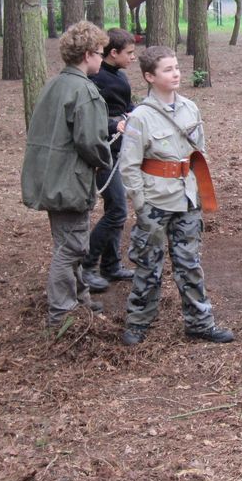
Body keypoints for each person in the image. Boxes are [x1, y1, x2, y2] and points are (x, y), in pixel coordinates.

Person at [118, 45, 234, 346]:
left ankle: (200, 323)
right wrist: (141, 205)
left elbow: (199, 152)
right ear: (150, 76)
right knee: (148, 264)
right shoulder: (140, 117)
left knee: (189, 263)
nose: (176, 73)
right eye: (167, 69)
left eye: (177, 67)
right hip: (155, 201)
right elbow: (129, 166)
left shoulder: (190, 108)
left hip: (187, 199)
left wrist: (199, 191)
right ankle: (138, 322)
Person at [21, 21, 113, 327]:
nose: (102, 59)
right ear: (87, 55)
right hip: (68, 182)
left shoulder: (54, 84)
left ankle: (80, 299)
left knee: (70, 242)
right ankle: (61, 312)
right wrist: (105, 160)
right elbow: (91, 141)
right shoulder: (84, 91)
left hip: (49, 178)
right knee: (71, 247)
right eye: (100, 53)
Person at [81, 28, 137, 292]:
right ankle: (85, 265)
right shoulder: (95, 79)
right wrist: (115, 125)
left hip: (119, 151)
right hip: (103, 153)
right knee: (117, 211)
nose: (133, 57)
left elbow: (124, 106)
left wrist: (138, 114)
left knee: (115, 208)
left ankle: (111, 265)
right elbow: (91, 118)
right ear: (113, 53)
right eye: (129, 53)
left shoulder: (119, 76)